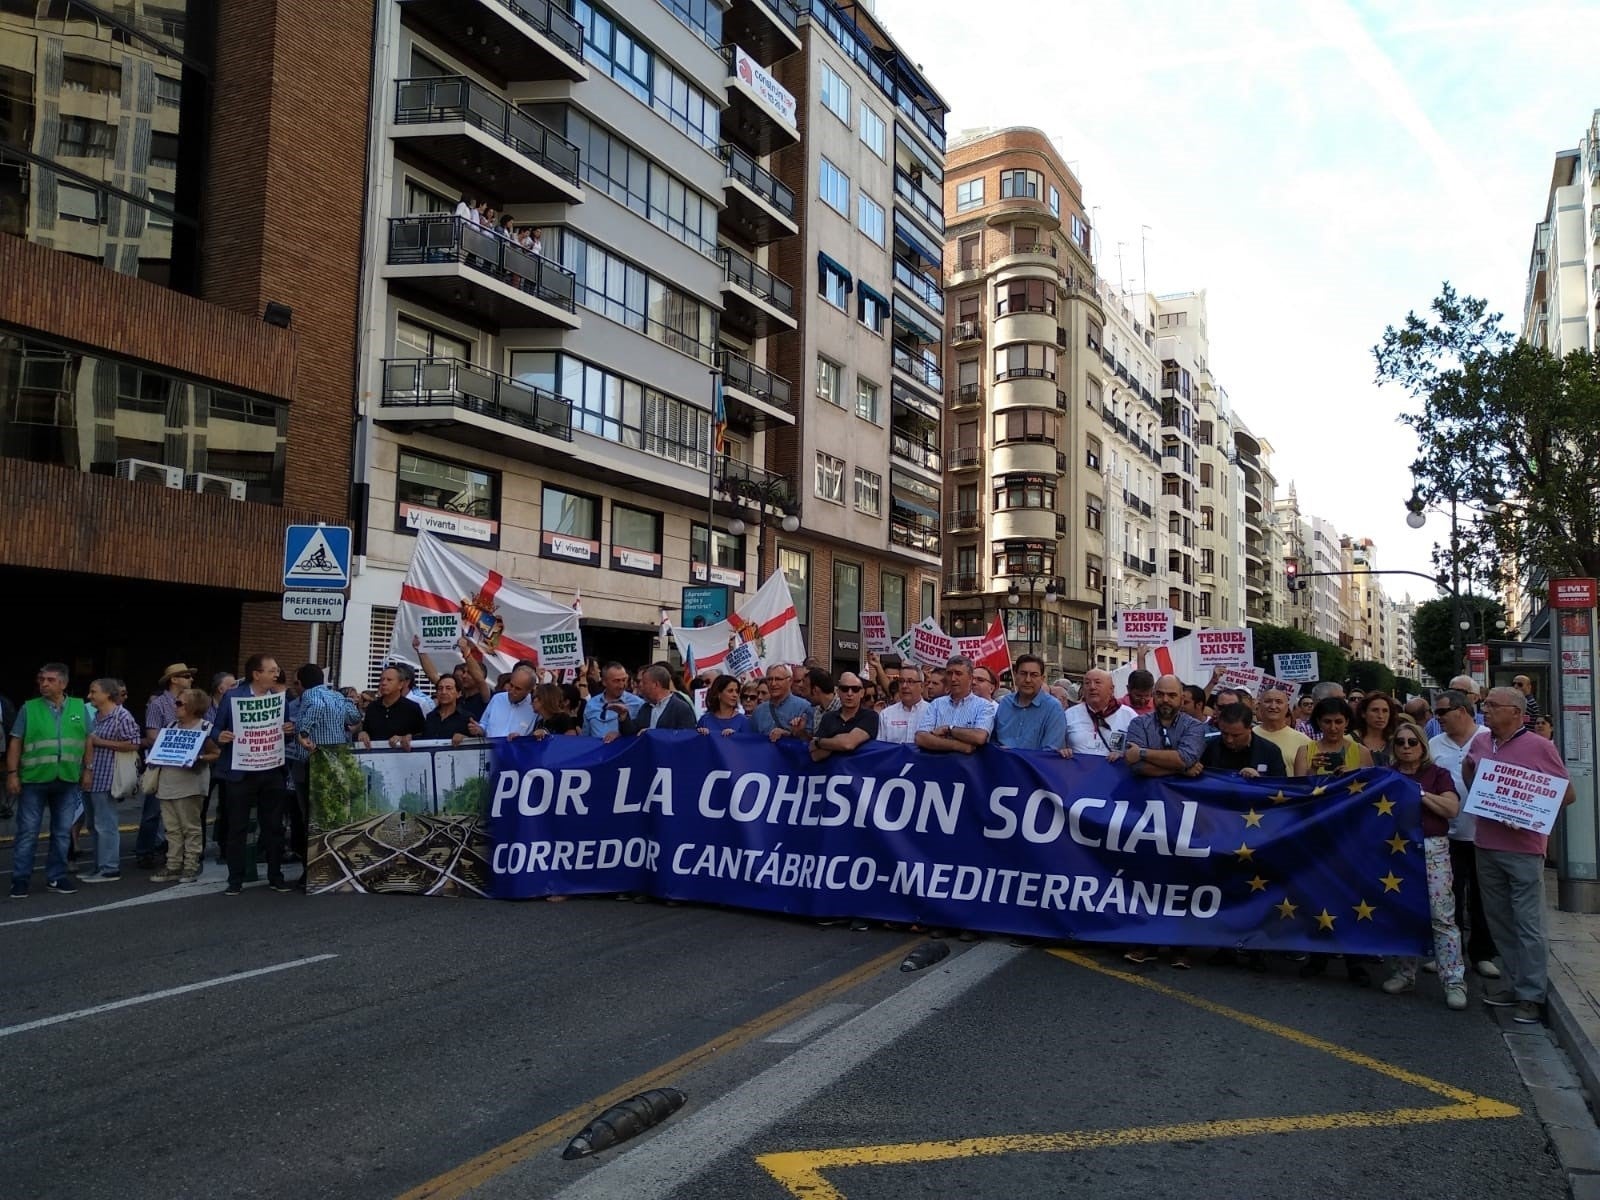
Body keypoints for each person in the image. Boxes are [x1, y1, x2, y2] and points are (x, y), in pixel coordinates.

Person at [1466, 686, 1575, 1024]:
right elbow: (1470, 773)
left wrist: (1527, 813)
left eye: (1492, 705)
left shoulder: (1540, 747)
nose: (1486, 710)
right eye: (1485, 705)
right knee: (1499, 920)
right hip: (1486, 843)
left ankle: (1531, 995)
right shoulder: (1482, 742)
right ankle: (1514, 983)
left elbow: (1566, 794)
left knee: (1528, 923)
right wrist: (1487, 798)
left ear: (1515, 712)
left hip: (1524, 849)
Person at [1122, 674, 1208, 969]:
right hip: (1145, 814)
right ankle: (1146, 941)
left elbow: (1185, 756)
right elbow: (1135, 766)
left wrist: (1146, 753)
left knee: (1181, 880)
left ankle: (1180, 946)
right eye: (1160, 695)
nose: (1165, 701)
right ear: (1153, 696)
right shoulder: (1138, 723)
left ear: (1181, 697)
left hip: (1184, 816)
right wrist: (1178, 768)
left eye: (1172, 695)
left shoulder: (1195, 727)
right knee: (1149, 877)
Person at [1380, 719, 1467, 1010]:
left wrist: (1419, 794)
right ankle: (1405, 972)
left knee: (1442, 918)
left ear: (1422, 745)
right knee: (1401, 913)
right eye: (1400, 742)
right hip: (1396, 851)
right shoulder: (1386, 775)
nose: (1406, 747)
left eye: (1412, 742)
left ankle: (1454, 981)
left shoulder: (1438, 774)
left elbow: (1451, 808)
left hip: (1432, 848)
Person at [1429, 689, 1501, 982]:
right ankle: (1449, 952)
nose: (1438, 718)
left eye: (1442, 712)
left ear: (1461, 710)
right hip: (1446, 834)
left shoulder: (1489, 739)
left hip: (1485, 834)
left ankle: (1482, 954)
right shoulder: (1433, 744)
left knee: (1484, 898)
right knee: (1449, 897)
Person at [7, 662, 93, 897]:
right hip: (35, 779)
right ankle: (20, 879)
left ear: (63, 683)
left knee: (63, 831)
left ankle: (56, 877)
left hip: (67, 778)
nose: (44, 683)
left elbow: (87, 739)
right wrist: (12, 774)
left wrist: (88, 770)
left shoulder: (78, 707)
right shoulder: (29, 708)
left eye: (50, 680)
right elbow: (16, 741)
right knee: (28, 831)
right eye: (42, 679)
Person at [213, 654, 293, 896]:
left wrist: (288, 730)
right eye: (271, 670)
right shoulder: (233, 696)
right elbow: (216, 727)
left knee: (273, 828)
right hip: (240, 772)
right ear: (256, 674)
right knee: (236, 827)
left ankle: (275, 876)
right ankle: (235, 879)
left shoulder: (281, 700)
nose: (276, 674)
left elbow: (286, 732)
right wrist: (220, 736)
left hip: (271, 772)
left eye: (277, 670)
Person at [150, 687, 220, 885]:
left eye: (180, 703)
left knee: (190, 827)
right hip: (167, 783)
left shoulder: (205, 728)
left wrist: (198, 757)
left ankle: (190, 865)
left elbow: (216, 753)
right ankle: (173, 865)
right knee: (171, 828)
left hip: (190, 784)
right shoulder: (171, 726)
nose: (175, 706)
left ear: (192, 707)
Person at [80, 677, 142, 883]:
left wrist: (100, 742)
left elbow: (133, 744)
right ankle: (99, 865)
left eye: (93, 692)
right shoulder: (94, 716)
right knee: (93, 824)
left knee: (105, 823)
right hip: (91, 776)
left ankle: (110, 868)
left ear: (107, 694)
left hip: (108, 777)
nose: (90, 696)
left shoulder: (122, 716)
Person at [139, 662, 196, 867]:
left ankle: (174, 852)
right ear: (174, 679)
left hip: (183, 765)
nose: (191, 680)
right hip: (162, 765)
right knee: (153, 811)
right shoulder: (158, 705)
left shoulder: (192, 703)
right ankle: (145, 851)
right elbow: (152, 736)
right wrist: (180, 745)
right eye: (187, 676)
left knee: (181, 813)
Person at [915, 656, 997, 754]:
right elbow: (921, 737)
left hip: (969, 767)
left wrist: (949, 729)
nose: (953, 678)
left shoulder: (984, 706)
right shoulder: (936, 704)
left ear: (970, 678)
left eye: (958, 674)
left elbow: (979, 737)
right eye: (949, 673)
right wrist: (958, 746)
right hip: (937, 765)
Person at [992, 655, 1066, 750]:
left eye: (1034, 675)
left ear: (1042, 679)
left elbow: (1050, 751)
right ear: (1015, 676)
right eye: (1023, 673)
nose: (1027, 680)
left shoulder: (1053, 708)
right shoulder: (1005, 703)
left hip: (1033, 764)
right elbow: (993, 739)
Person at [1199, 703, 1286, 778]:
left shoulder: (1270, 751)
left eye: (1236, 735)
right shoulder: (1209, 747)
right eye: (1225, 733)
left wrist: (1260, 780)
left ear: (1250, 729)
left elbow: (1280, 787)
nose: (1229, 740)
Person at [1062, 668, 1135, 758]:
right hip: (1079, 770)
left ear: (1111, 689)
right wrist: (1063, 750)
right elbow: (1058, 746)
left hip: (1114, 770)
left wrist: (1123, 755)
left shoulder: (1129, 716)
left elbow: (1137, 750)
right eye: (1087, 683)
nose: (1092, 687)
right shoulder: (1069, 715)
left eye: (1098, 682)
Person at [1292, 697, 1372, 776]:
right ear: (1318, 722)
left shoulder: (1362, 752)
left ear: (1347, 722)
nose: (1333, 727)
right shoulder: (1304, 751)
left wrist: (1351, 776)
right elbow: (1300, 786)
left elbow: (1369, 786)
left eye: (1338, 722)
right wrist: (1313, 770)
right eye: (1327, 722)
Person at [811, 672, 879, 762]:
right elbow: (815, 755)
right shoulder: (828, 717)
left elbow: (848, 744)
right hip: (832, 773)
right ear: (838, 692)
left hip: (860, 773)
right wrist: (838, 743)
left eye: (855, 689)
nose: (849, 693)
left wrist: (819, 742)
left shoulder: (870, 716)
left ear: (862, 693)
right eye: (844, 689)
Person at [359, 666, 427, 749]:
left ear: (400, 684)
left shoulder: (412, 708)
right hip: (375, 756)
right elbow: (367, 730)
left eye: (389, 680)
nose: (384, 683)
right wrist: (363, 733)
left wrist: (406, 737)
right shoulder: (372, 707)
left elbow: (423, 735)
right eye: (381, 680)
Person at [621, 664, 697, 732]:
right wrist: (623, 716)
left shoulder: (681, 708)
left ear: (655, 684)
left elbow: (685, 737)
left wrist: (654, 734)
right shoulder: (646, 707)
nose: (640, 685)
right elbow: (632, 731)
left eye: (644, 683)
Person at [752, 665, 814, 743]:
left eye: (778, 679)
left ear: (790, 681)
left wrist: (791, 734)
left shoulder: (805, 707)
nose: (773, 683)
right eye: (770, 679)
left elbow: (811, 743)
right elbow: (750, 742)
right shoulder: (758, 711)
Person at [583, 662, 643, 741]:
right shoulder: (591, 704)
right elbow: (585, 737)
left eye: (624, 680)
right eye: (616, 681)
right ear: (604, 682)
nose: (621, 685)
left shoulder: (638, 704)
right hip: (597, 752)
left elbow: (642, 735)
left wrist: (621, 735)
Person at [1255, 687, 1311, 766]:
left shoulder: (1303, 741)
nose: (1273, 706)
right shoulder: (1248, 735)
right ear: (1259, 706)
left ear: (1287, 707)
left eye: (1279, 702)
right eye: (1268, 701)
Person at [482, 665, 538, 738]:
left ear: (529, 690)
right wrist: (479, 729)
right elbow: (484, 723)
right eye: (511, 685)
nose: (512, 691)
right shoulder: (497, 698)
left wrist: (520, 739)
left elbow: (536, 735)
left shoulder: (535, 707)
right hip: (491, 747)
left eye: (518, 689)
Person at [423, 675, 483, 744]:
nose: (443, 692)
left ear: (458, 693)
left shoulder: (467, 718)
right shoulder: (430, 717)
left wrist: (465, 739)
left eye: (448, 688)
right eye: (440, 688)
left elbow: (478, 743)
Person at [877, 669, 927, 744]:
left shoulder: (932, 711)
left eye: (910, 682)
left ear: (922, 686)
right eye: (901, 681)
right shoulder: (886, 714)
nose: (904, 686)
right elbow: (881, 747)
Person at [1354, 691, 1399, 766]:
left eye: (1385, 711)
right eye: (1375, 710)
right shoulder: (1349, 741)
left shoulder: (1397, 741)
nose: (1380, 716)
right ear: (1363, 713)